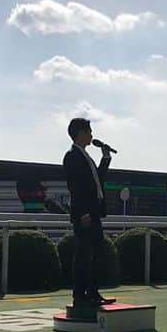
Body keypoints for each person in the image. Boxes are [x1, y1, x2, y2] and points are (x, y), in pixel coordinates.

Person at [62, 118, 116, 309]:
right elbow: (74, 187)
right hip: (84, 214)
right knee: (83, 254)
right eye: (89, 131)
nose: (92, 135)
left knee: (96, 252)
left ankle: (92, 292)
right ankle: (80, 295)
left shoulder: (85, 156)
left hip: (93, 212)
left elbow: (96, 180)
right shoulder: (72, 156)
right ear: (81, 133)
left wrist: (106, 158)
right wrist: (83, 212)